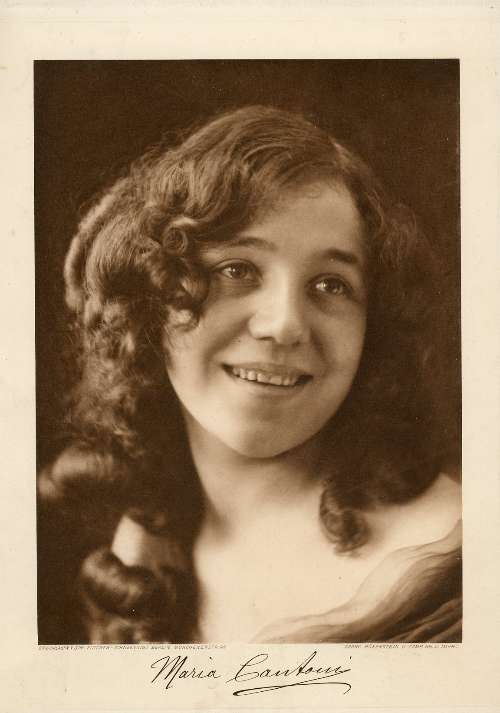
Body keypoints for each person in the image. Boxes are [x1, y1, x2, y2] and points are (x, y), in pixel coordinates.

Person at [39, 105, 461, 644]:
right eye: (236, 270)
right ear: (150, 302)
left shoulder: (455, 575)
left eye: (331, 285)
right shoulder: (144, 552)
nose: (284, 324)